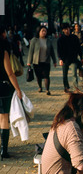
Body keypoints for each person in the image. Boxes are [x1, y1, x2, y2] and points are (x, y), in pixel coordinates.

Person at [0, 26, 22, 160]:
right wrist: (18, 89)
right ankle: (4, 150)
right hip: (3, 88)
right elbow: (10, 73)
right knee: (3, 118)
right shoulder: (3, 51)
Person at [27, 25, 57, 95]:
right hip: (36, 62)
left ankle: (47, 89)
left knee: (46, 76)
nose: (44, 32)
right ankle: (40, 87)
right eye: (42, 31)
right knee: (38, 76)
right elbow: (31, 51)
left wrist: (54, 61)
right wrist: (29, 61)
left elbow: (52, 51)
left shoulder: (48, 40)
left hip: (46, 61)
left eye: (45, 31)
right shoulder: (34, 40)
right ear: (39, 32)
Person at [57, 22, 83, 93]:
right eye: (65, 29)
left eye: (68, 29)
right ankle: (66, 87)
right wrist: (60, 59)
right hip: (64, 59)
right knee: (64, 75)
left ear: (70, 29)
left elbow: (79, 49)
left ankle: (75, 87)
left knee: (74, 74)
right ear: (63, 30)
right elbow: (59, 50)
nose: (67, 30)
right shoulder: (60, 39)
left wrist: (81, 57)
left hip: (73, 59)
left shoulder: (74, 37)